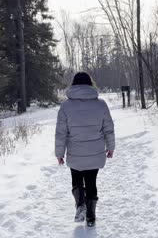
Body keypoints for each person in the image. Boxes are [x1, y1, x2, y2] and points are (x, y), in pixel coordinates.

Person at [55, 72, 115, 227]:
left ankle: (80, 204)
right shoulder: (101, 104)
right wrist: (111, 147)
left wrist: (59, 154)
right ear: (90, 84)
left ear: (74, 84)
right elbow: (109, 129)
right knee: (91, 182)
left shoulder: (66, 106)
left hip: (75, 153)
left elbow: (61, 133)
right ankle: (90, 215)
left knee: (76, 180)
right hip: (95, 153)